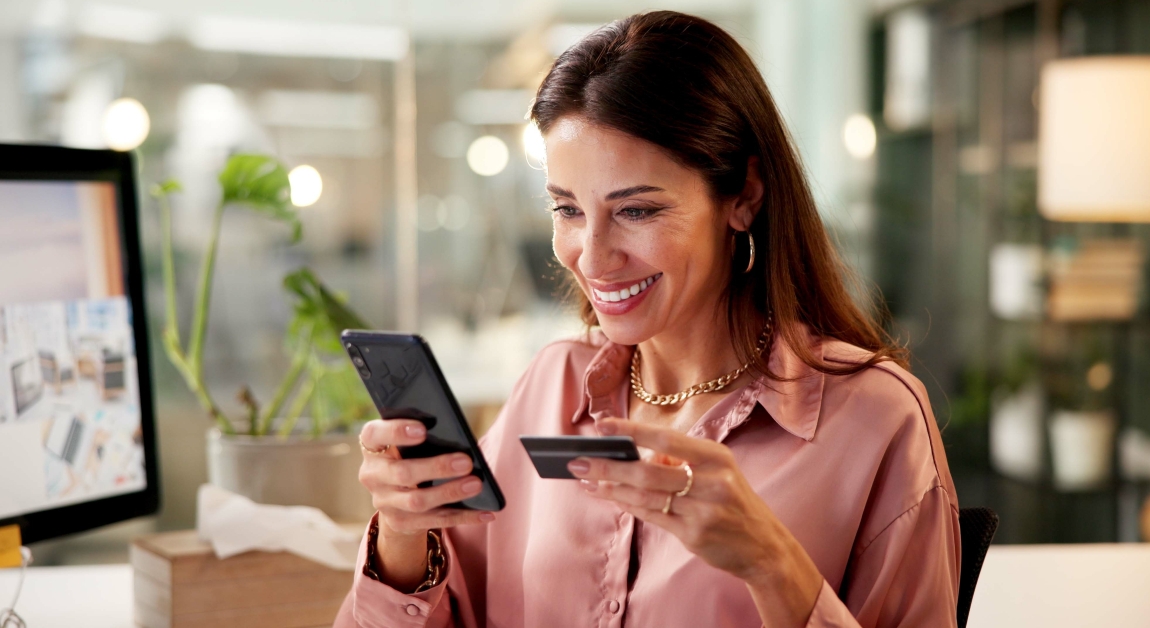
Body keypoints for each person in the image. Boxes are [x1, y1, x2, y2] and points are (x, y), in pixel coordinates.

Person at [336, 10, 959, 628]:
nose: (594, 255)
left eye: (636, 211)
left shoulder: (876, 419)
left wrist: (770, 562)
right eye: (568, 210)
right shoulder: (550, 385)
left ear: (743, 196)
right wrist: (401, 533)